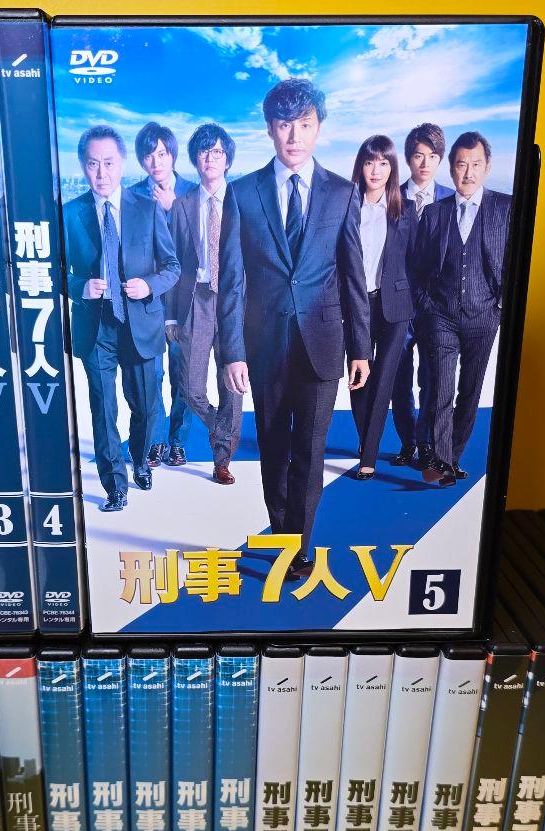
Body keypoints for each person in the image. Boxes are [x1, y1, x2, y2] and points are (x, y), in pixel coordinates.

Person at [217, 78, 370, 580]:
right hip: (264, 346)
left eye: (304, 124)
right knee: (273, 448)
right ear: (269, 129)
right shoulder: (243, 193)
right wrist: (232, 351)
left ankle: (298, 546)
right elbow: (232, 280)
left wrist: (361, 347)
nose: (294, 135)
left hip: (322, 344)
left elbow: (352, 276)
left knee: (310, 449)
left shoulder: (342, 193)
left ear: (319, 127)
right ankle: (283, 529)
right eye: (285, 124)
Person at [64, 125, 181, 511]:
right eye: (93, 164)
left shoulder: (146, 209)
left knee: (145, 407)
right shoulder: (70, 214)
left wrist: (148, 285)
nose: (101, 173)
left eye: (109, 163)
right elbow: (52, 271)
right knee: (103, 410)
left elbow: (172, 266)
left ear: (122, 163)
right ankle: (115, 486)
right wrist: (81, 286)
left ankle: (141, 459)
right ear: (83, 165)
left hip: (140, 325)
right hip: (95, 327)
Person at [413, 131, 511, 486]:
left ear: (487, 167)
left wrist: (500, 306)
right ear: (451, 168)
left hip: (484, 316)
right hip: (441, 316)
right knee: (441, 389)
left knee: (470, 391)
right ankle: (441, 464)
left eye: (476, 164)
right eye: (461, 165)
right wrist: (426, 306)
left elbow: (518, 260)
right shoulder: (434, 213)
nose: (468, 173)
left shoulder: (506, 208)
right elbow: (419, 268)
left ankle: (453, 456)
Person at [166, 122, 244, 484]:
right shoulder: (181, 206)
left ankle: (222, 460)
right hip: (194, 300)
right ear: (195, 159)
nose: (210, 158)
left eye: (217, 152)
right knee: (190, 386)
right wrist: (170, 316)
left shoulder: (242, 202)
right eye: (203, 152)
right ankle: (220, 428)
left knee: (232, 384)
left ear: (227, 159)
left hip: (233, 300)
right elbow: (172, 264)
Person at [347, 135, 417, 480]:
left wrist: (413, 303)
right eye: (369, 162)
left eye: (383, 163)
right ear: (360, 166)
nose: (376, 170)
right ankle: (366, 438)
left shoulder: (405, 209)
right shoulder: (346, 206)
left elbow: (416, 261)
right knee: (359, 380)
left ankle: (369, 455)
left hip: (395, 308)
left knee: (384, 381)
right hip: (357, 306)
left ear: (392, 168)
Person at [131, 122, 197, 469]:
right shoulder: (131, 196)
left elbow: (202, 246)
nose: (155, 162)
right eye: (148, 155)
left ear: (172, 154)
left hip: (186, 300)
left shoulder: (193, 193)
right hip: (149, 300)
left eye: (161, 153)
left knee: (184, 375)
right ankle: (156, 441)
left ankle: (178, 442)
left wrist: (176, 208)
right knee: (152, 375)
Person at [391, 123, 453, 470]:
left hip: (435, 308)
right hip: (397, 306)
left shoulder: (450, 199)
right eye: (418, 155)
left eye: (432, 156)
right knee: (398, 378)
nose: (425, 163)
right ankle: (407, 442)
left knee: (431, 378)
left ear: (440, 159)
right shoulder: (391, 197)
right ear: (408, 158)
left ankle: (427, 443)